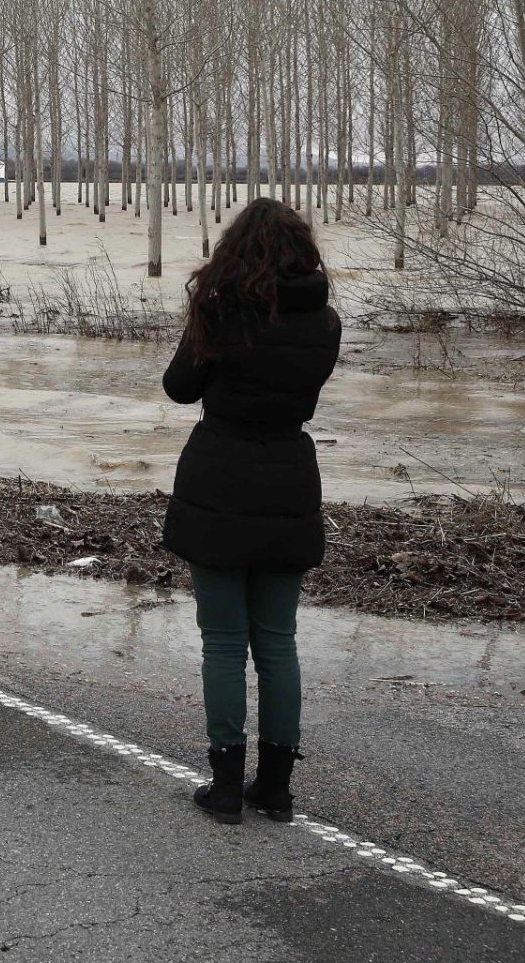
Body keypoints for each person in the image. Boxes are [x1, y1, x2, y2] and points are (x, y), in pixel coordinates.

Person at [160, 197, 341, 826]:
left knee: (223, 643)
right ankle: (277, 790)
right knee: (278, 642)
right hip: (289, 479)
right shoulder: (325, 322)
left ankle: (226, 787)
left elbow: (179, 387)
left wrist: (204, 318)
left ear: (236, 251)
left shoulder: (221, 311)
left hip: (219, 480)